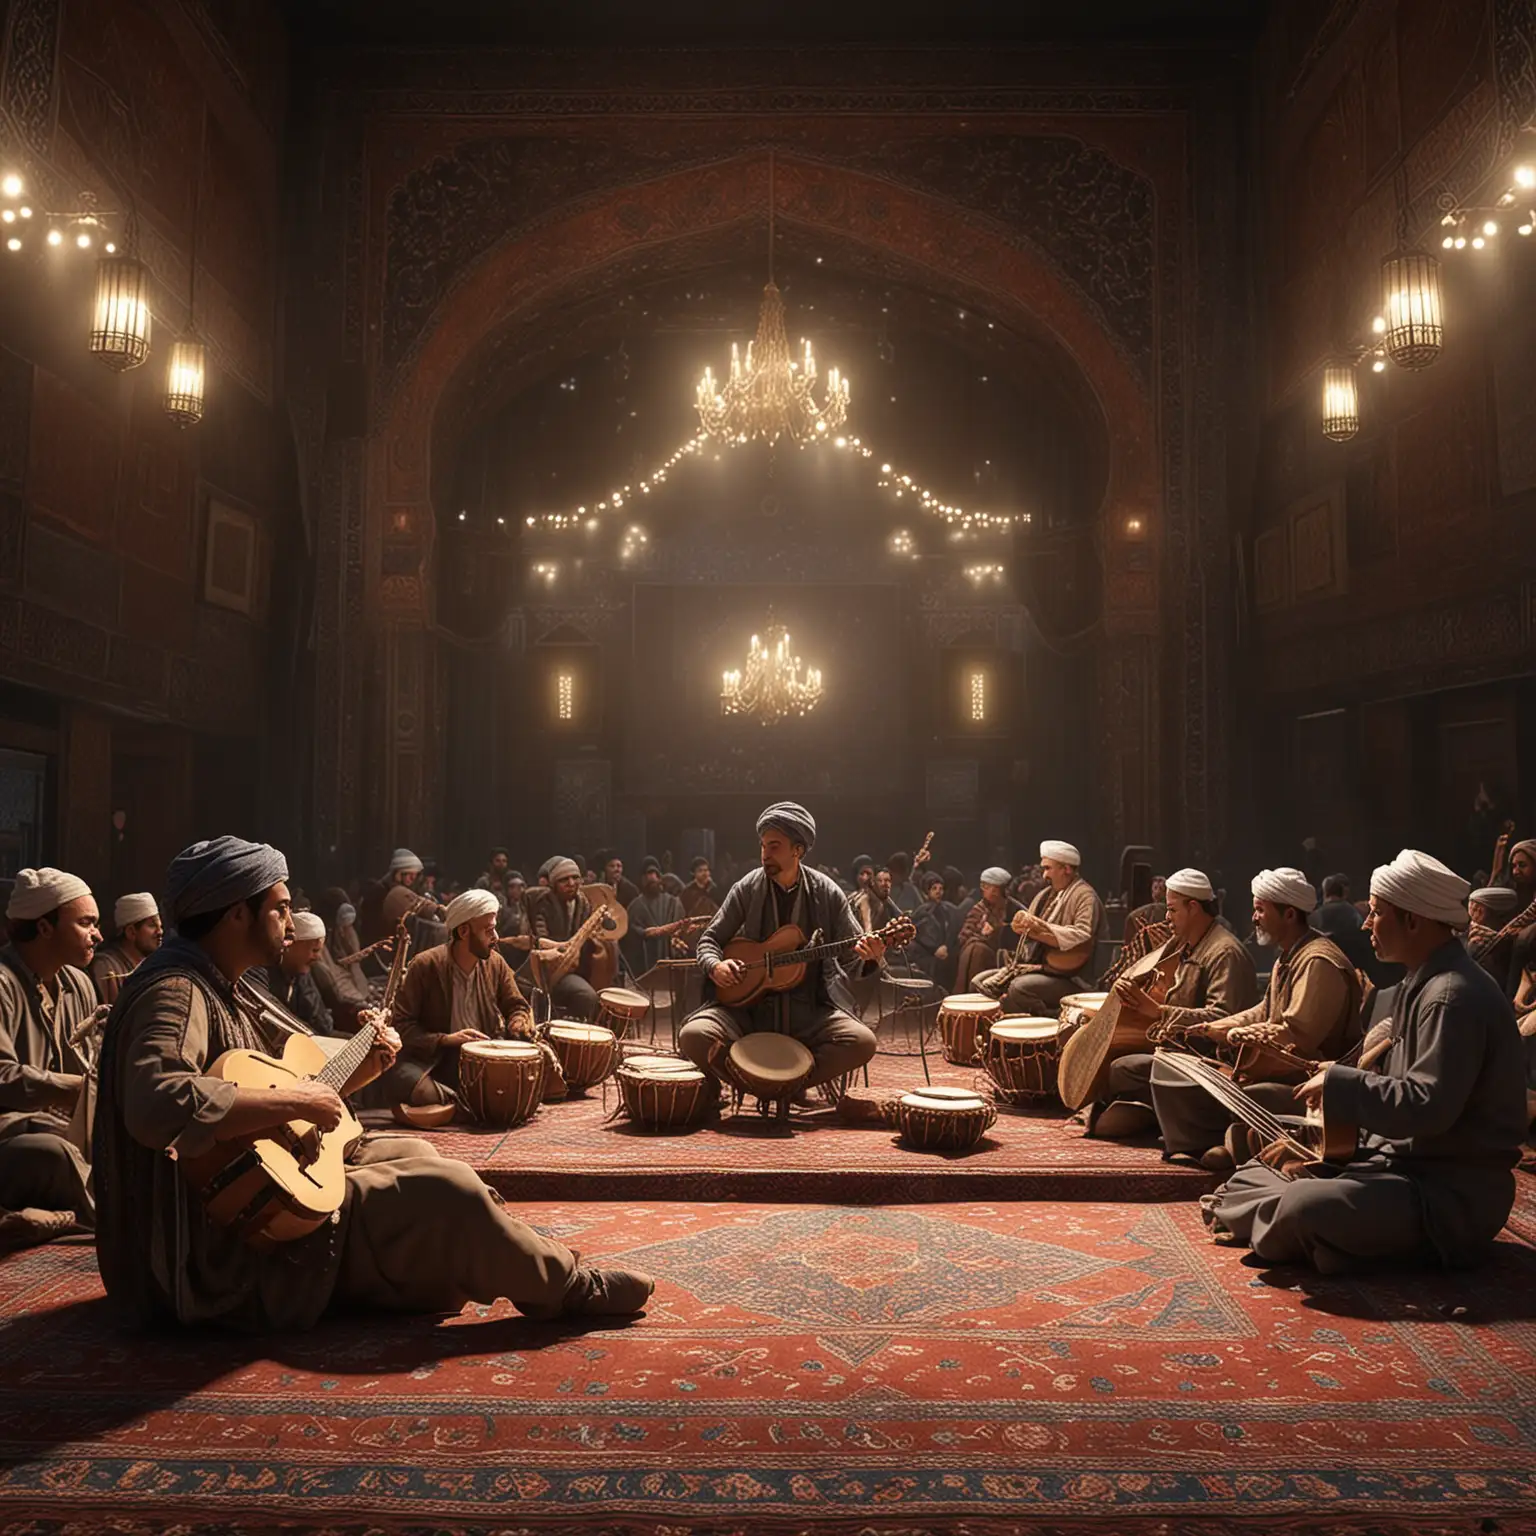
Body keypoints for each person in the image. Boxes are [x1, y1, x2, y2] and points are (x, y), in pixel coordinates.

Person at [92, 836, 648, 1331]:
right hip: (203, 1248)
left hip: (243, 1192)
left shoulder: (222, 983)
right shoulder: (175, 991)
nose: (292, 922)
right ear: (238, 914)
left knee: (419, 1152)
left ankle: (521, 1255)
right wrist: (300, 1098)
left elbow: (277, 1093)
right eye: (282, 909)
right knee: (445, 1188)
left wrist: (355, 1073)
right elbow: (154, 1100)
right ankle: (566, 1287)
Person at [1203, 850, 1527, 1274]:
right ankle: (1333, 1247)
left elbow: (1427, 1107)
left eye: (1376, 913)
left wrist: (1342, 1084)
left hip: (1447, 1194)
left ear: (1412, 920)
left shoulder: (1452, 996)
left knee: (1303, 1203)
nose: (1365, 924)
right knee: (1255, 1175)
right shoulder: (1422, 981)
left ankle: (1339, 1242)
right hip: (1402, 1167)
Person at [1147, 867, 1361, 1170]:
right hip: (1278, 1070)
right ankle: (1216, 1144)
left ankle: (1212, 1145)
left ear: (1289, 914)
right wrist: (1215, 1028)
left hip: (1308, 1083)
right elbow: (1264, 1010)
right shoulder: (1289, 956)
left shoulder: (1318, 961)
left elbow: (1298, 1036)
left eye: (1260, 910)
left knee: (1222, 1087)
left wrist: (1240, 1042)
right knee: (1171, 1064)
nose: (1254, 917)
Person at [680, 802, 882, 1097]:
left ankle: (790, 1084)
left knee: (862, 1042)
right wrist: (716, 966)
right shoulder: (747, 888)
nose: (765, 854)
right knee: (694, 1035)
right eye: (763, 845)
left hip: (810, 1013)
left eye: (774, 846)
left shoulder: (827, 893)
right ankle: (755, 1083)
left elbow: (853, 960)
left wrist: (871, 956)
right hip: (748, 1012)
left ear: (797, 850)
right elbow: (709, 941)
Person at [1086, 869, 1259, 1139]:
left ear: (1193, 908)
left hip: (1207, 1061)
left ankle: (1182, 1119)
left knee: (1122, 1069)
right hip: (1177, 1049)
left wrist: (1158, 1012)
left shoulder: (1225, 952)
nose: (1166, 917)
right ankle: (1157, 1111)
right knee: (1115, 1063)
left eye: (1172, 910)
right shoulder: (1186, 944)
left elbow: (1224, 1017)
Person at [379, 888, 562, 1115]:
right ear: (464, 931)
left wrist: (517, 1022)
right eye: (488, 930)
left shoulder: (495, 963)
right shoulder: (426, 965)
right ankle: (469, 1102)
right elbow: (402, 1026)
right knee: (405, 1081)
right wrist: (445, 1039)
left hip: (485, 1055)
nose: (495, 937)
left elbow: (517, 1005)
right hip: (437, 1059)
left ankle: (460, 1104)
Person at [0, 868, 102, 1250]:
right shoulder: (2, 984)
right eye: (86, 923)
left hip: (66, 1127)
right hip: (10, 1136)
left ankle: (60, 1219)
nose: (98, 935)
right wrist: (74, 1089)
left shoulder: (78, 985)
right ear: (44, 928)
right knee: (52, 1152)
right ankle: (119, 1226)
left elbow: (92, 1069)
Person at [995, 841, 1105, 1015]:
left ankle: (1054, 1023)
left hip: (1075, 978)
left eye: (1048, 868)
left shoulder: (1085, 896)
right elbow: (1029, 928)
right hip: (1046, 970)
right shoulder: (1048, 895)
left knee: (1019, 988)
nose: (1044, 875)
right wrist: (1021, 926)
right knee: (981, 982)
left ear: (1066, 869)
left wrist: (1041, 931)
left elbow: (1082, 934)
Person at [529, 857, 614, 1021]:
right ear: (554, 884)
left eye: (575, 878)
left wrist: (603, 922)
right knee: (587, 996)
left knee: (601, 995)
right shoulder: (543, 904)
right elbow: (539, 939)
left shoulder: (583, 903)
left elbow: (602, 929)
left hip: (577, 967)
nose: (571, 883)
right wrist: (564, 948)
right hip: (549, 970)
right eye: (564, 880)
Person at [245, 910, 337, 1036]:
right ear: (290, 945)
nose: (318, 957)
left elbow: (322, 1025)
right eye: (314, 950)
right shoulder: (260, 976)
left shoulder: (302, 976)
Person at [952, 868, 1023, 992]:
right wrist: (979, 933)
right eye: (984, 887)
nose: (987, 891)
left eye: (993, 889)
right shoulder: (978, 908)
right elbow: (964, 935)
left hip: (1003, 955)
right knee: (974, 948)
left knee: (978, 951)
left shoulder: (1014, 909)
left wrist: (997, 930)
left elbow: (1019, 935)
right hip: (978, 949)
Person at [89, 893, 163, 1005]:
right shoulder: (104, 967)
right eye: (152, 925)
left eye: (160, 926)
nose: (160, 932)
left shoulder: (153, 967)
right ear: (131, 932)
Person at [627, 858, 689, 973]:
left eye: (655, 873)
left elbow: (682, 926)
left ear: (660, 877)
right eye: (648, 874)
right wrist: (645, 933)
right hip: (645, 964)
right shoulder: (636, 906)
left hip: (670, 961)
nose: (652, 877)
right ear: (642, 879)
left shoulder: (673, 903)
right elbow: (631, 931)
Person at [358, 848, 425, 944]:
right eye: (409, 874)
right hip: (379, 943)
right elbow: (371, 925)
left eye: (415, 874)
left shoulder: (406, 891)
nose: (412, 878)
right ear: (399, 874)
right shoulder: (379, 891)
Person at [911, 868, 959, 985]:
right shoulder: (921, 912)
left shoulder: (947, 909)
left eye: (941, 889)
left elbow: (952, 930)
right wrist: (934, 949)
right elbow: (921, 935)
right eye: (934, 889)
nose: (938, 892)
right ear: (927, 891)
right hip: (926, 955)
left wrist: (946, 947)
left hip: (944, 952)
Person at [1121, 875, 1167, 950]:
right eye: (1155, 888)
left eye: (1161, 888)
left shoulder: (1167, 912)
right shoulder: (1143, 913)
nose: (1157, 892)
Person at [681, 857, 719, 922]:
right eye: (700, 871)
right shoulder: (688, 892)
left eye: (706, 870)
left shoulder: (715, 890)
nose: (704, 874)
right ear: (693, 873)